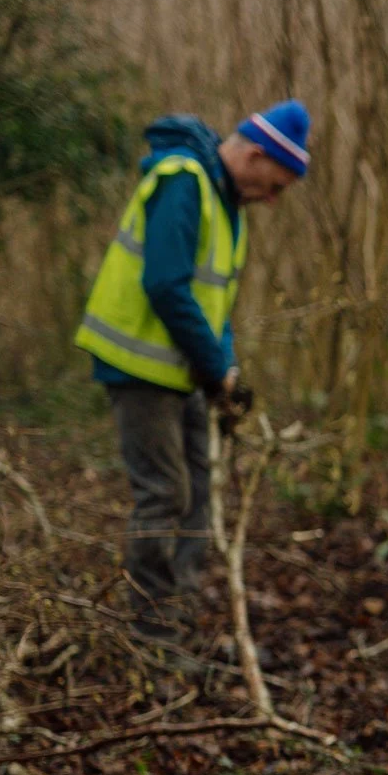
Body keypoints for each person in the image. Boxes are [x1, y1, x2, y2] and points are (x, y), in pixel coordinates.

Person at [76, 100, 310, 642]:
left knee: (197, 495)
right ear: (255, 155)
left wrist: (224, 368)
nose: (272, 201)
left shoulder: (226, 203)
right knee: (165, 494)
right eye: (274, 186)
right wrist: (213, 366)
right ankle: (151, 638)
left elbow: (215, 303)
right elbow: (165, 285)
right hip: (138, 364)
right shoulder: (184, 181)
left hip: (179, 370)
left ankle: (177, 620)